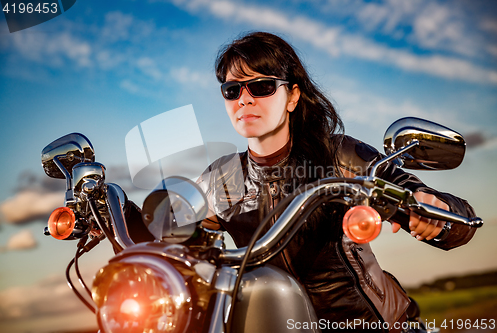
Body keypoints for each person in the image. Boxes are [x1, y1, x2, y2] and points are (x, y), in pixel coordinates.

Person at [197, 31, 477, 332]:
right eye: (232, 90)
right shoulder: (221, 179)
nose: (244, 99)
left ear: (292, 97)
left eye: (261, 86)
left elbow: (457, 219)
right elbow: (163, 224)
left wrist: (434, 210)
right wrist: (141, 219)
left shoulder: (339, 156)